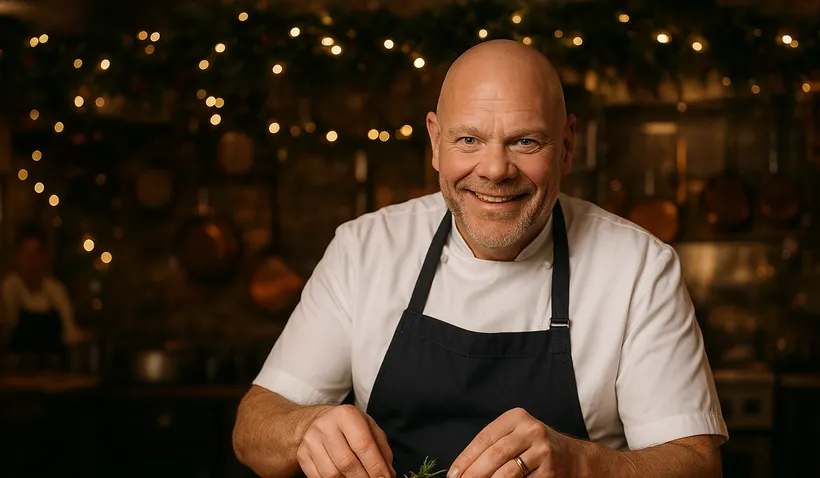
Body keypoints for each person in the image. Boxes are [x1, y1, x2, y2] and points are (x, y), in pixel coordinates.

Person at [233, 40, 728, 478]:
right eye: (469, 139)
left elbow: (697, 463)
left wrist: (583, 466)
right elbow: (253, 428)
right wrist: (306, 428)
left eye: (525, 141)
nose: (494, 170)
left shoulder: (639, 267)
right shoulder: (364, 249)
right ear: (435, 142)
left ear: (567, 145)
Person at [0, 223, 85, 365]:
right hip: (18, 372)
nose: (30, 262)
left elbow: (70, 333)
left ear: (44, 258)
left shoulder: (56, 290)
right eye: (25, 254)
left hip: (54, 371)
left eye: (35, 255)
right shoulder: (9, 288)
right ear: (17, 257)